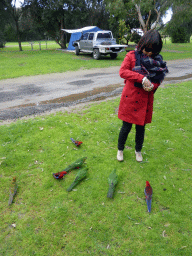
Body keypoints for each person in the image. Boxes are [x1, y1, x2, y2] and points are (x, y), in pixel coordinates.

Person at [117, 29, 168, 162]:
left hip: (145, 99)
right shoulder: (132, 56)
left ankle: (138, 150)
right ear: (142, 44)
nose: (149, 53)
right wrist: (142, 78)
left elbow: (158, 80)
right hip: (131, 98)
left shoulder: (158, 61)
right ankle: (120, 149)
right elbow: (122, 72)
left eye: (153, 50)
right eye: (147, 49)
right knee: (126, 126)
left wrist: (152, 86)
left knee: (141, 127)